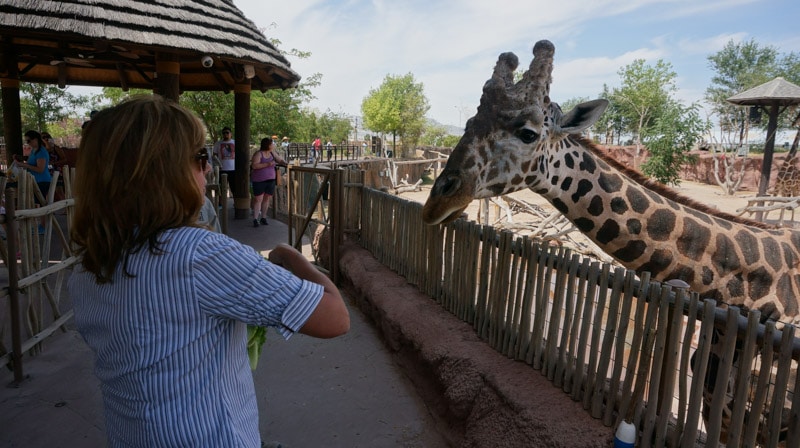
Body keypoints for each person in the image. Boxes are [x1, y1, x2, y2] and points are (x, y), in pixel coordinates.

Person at [68, 95, 349, 447]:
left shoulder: (89, 264)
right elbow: (335, 317)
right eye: (201, 158)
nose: (208, 168)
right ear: (165, 171)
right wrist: (292, 256)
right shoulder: (200, 255)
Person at [250, 137, 286, 227]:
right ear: (268, 145)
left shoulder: (272, 153)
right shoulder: (259, 154)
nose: (273, 145)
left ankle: (263, 217)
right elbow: (254, 166)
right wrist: (267, 164)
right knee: (258, 199)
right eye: (272, 143)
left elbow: (279, 159)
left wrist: (285, 163)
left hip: (270, 179)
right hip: (259, 180)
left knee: (266, 199)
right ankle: (255, 218)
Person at [17, 130, 52, 204]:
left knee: (39, 205)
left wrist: (24, 165)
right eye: (26, 141)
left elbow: (40, 169)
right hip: (35, 181)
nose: (27, 143)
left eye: (29, 141)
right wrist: (20, 158)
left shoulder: (41, 151)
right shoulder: (34, 150)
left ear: (35, 139)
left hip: (42, 182)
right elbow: (32, 161)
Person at [213, 126, 236, 193]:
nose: (225, 134)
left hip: (233, 169)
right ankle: (221, 203)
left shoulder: (235, 143)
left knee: (234, 188)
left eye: (227, 133)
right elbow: (214, 156)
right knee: (221, 189)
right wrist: (217, 165)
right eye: (223, 133)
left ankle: (236, 202)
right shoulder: (218, 143)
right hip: (222, 170)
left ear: (231, 134)